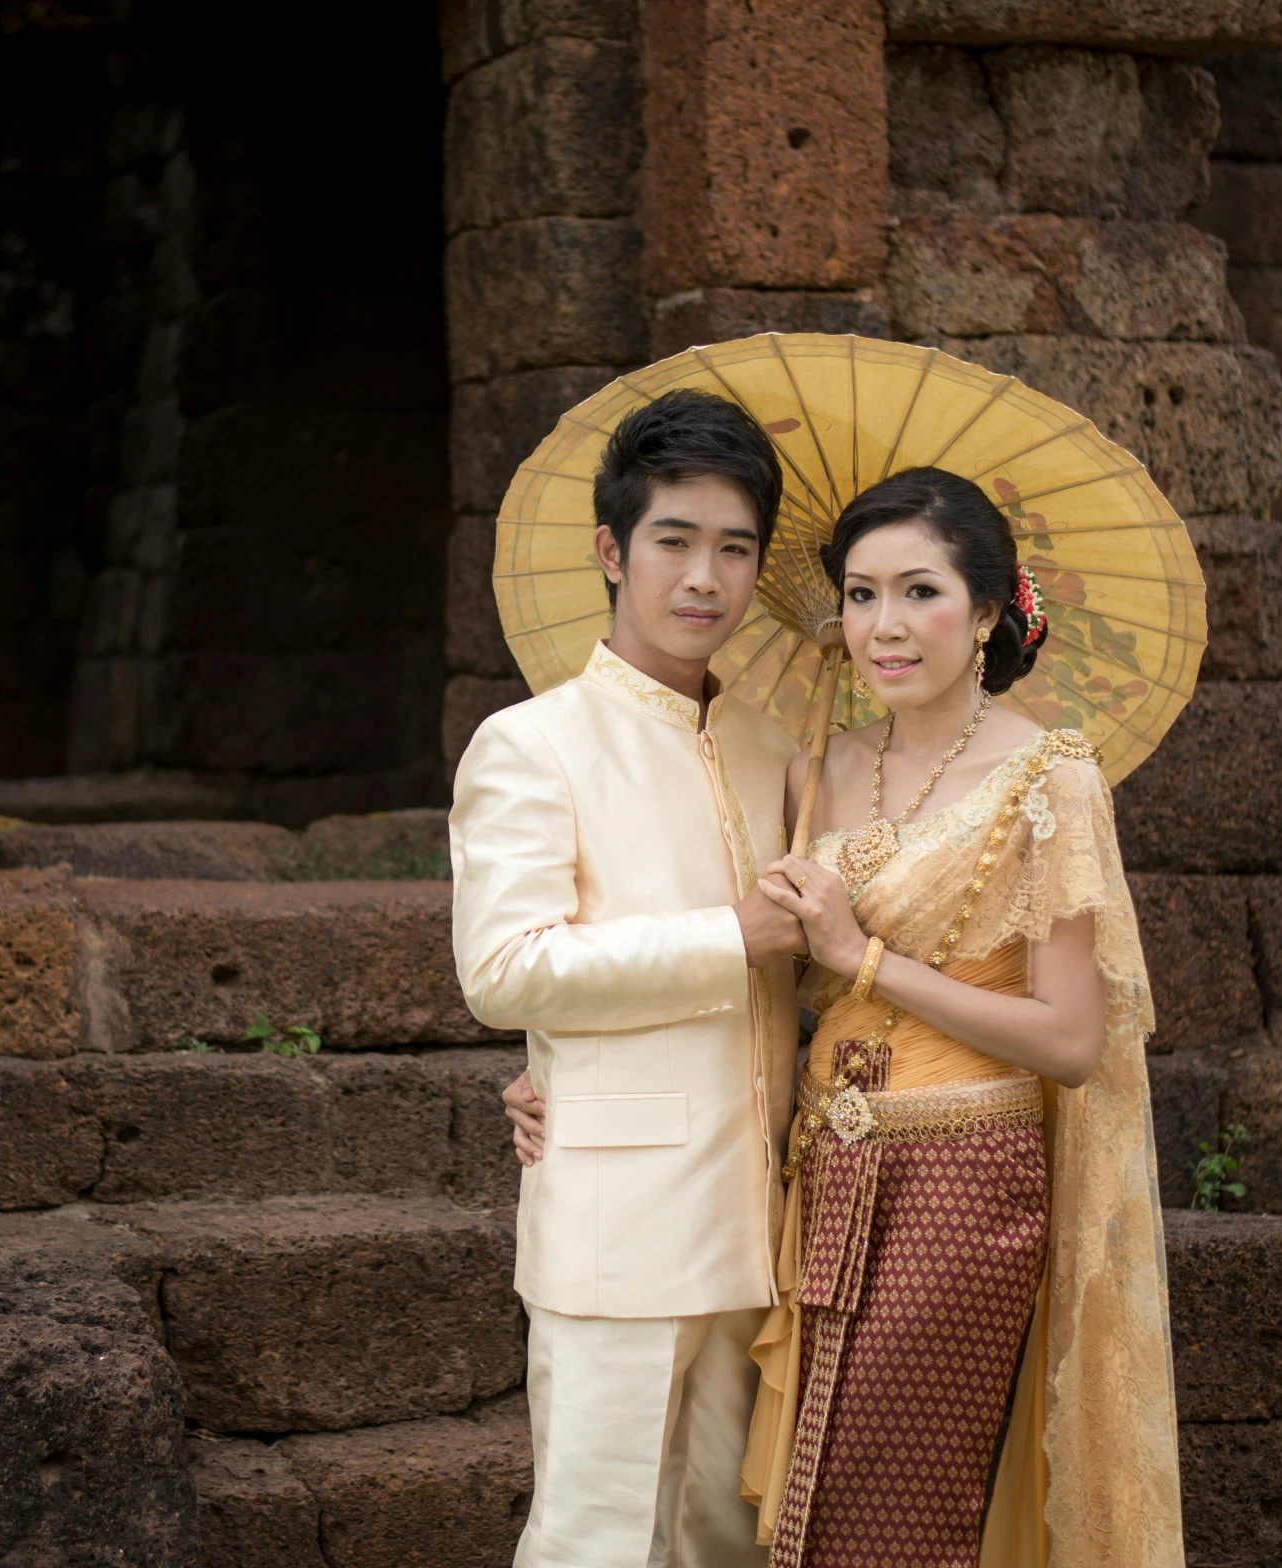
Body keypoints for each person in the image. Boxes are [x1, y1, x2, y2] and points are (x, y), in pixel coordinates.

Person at [740, 466, 1184, 1567]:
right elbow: (774, 984)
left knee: (887, 1508)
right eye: (859, 594)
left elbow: (1071, 1041)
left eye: (919, 591)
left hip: (963, 1175)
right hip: (823, 1168)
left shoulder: (1049, 774)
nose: (883, 626)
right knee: (807, 1504)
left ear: (988, 610)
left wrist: (864, 956)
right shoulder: (822, 769)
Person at [451, 387, 805, 1568]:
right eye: (675, 540)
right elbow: (506, 968)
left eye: (735, 548)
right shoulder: (530, 742)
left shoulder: (775, 749)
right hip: (617, 1212)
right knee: (593, 1541)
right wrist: (728, 936)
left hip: (766, 1221)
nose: (705, 576)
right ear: (613, 550)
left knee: (729, 1535)